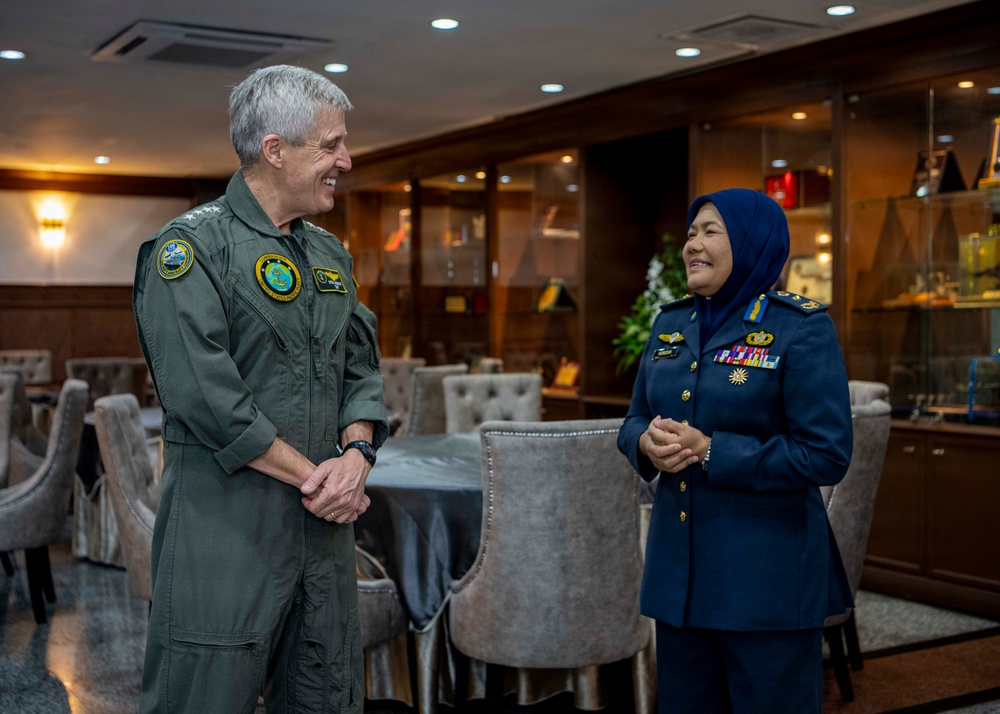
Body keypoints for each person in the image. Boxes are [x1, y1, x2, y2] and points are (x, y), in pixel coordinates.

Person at [133, 65, 388, 713]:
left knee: (325, 696)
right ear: (275, 150)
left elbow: (360, 369)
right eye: (330, 145)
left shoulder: (330, 254)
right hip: (226, 537)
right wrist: (322, 482)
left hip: (322, 541)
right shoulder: (190, 249)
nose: (346, 160)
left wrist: (358, 455)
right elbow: (208, 401)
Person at [617, 188, 854, 713]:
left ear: (751, 242)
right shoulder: (670, 323)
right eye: (691, 233)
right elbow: (633, 420)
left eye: (710, 231)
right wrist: (645, 444)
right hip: (679, 581)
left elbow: (826, 454)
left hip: (764, 584)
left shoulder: (800, 328)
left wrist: (711, 451)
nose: (692, 244)